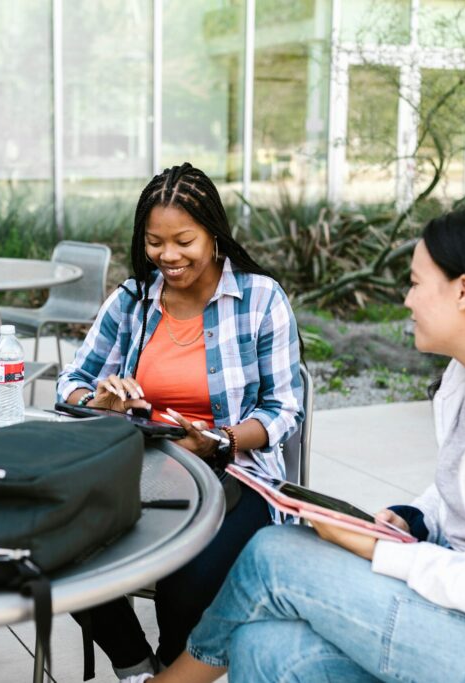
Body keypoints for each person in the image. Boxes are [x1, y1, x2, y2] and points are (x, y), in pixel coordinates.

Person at [139, 205, 465, 683]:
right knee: (260, 647)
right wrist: (408, 520)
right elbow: (462, 490)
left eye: (415, 283)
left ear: (463, 290)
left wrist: (384, 553)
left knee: (274, 552)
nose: (407, 301)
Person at [57, 162, 304, 679]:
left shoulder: (260, 300)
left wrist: (219, 441)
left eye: (183, 241)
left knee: (187, 573)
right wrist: (100, 400)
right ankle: (137, 666)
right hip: (141, 469)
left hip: (236, 474)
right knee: (55, 541)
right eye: (154, 242)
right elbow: (71, 384)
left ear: (214, 234)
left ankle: (172, 667)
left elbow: (284, 410)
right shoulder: (131, 302)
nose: (167, 256)